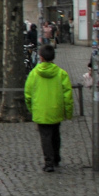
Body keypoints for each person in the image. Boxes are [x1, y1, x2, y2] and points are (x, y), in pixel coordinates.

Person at [24, 43, 73, 173]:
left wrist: (32, 110)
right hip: (56, 109)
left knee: (45, 137)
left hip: (41, 110)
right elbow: (68, 95)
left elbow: (28, 94)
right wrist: (68, 113)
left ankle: (49, 162)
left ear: (41, 57)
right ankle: (56, 157)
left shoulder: (33, 74)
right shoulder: (61, 74)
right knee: (55, 134)